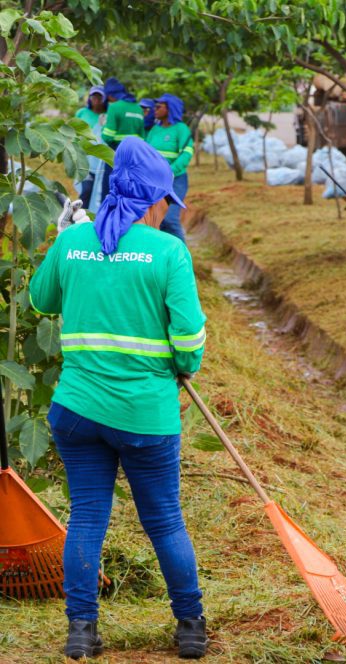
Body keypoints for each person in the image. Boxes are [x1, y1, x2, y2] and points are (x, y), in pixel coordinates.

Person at [30, 137, 209, 660]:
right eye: (162, 200)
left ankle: (81, 632)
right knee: (165, 520)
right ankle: (191, 628)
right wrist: (184, 367)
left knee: (87, 517)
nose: (163, 210)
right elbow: (190, 338)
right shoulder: (168, 252)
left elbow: (41, 301)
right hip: (144, 416)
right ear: (149, 197)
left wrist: (61, 240)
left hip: (76, 411)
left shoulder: (74, 242)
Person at [145, 94, 195, 242]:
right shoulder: (155, 130)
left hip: (176, 181)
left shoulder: (181, 129)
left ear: (170, 109)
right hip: (154, 182)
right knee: (156, 221)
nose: (155, 109)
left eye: (159, 107)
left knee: (170, 219)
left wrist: (169, 171)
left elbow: (186, 153)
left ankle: (183, 258)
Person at [100, 78, 145, 200]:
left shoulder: (114, 107)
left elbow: (108, 136)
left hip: (115, 153)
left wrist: (103, 127)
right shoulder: (138, 108)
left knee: (110, 191)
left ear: (110, 95)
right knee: (127, 191)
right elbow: (142, 137)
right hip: (134, 156)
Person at [74, 86, 107, 209]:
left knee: (97, 192)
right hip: (84, 158)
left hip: (99, 160)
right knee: (86, 190)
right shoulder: (82, 113)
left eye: (100, 97)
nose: (96, 100)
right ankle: (79, 217)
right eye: (94, 97)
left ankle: (91, 217)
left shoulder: (106, 116)